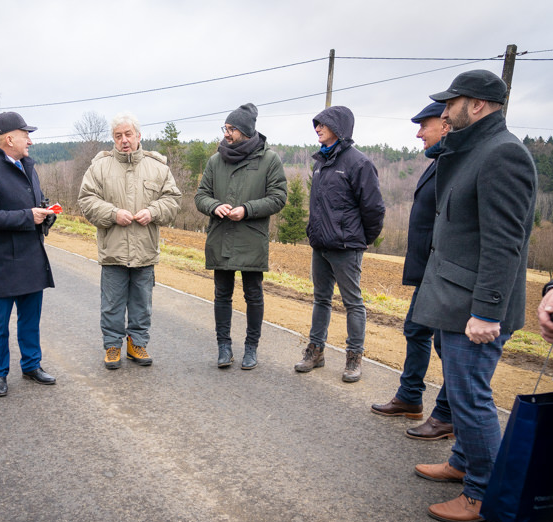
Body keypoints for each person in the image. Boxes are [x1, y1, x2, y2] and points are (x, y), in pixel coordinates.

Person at [412, 70, 537, 522]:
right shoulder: (475, 148)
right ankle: (463, 462)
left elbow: (506, 242)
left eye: (452, 103)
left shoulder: (503, 155)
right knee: (461, 391)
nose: (444, 112)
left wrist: (487, 311)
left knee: (471, 397)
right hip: (450, 298)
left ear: (479, 105)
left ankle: (484, 494)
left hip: (473, 306)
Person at [371, 103, 454, 441]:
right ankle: (410, 398)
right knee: (416, 330)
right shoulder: (440, 160)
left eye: (424, 125)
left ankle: (447, 414)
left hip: (444, 273)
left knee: (448, 346)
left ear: (446, 124)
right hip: (428, 272)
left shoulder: (454, 162)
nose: (419, 133)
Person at [78, 112, 181, 369]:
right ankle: (112, 346)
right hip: (113, 250)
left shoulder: (158, 167)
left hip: (145, 251)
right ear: (113, 139)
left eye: (128, 134)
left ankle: (137, 345)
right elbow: (87, 200)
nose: (124, 140)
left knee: (141, 303)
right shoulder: (99, 167)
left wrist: (153, 211)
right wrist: (113, 214)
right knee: (112, 303)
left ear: (138, 136)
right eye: (118, 136)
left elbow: (172, 200)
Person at [0, 111, 56, 397]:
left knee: (30, 318)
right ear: (9, 138)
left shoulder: (28, 165)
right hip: (3, 260)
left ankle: (31, 365)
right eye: (25, 134)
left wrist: (45, 214)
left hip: (31, 255)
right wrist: (29, 216)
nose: (29, 140)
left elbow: (32, 205)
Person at [293, 106, 385, 382]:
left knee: (353, 303)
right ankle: (316, 351)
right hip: (320, 245)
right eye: (316, 124)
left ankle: (354, 357)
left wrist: (359, 240)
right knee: (321, 299)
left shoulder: (358, 163)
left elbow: (374, 209)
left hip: (347, 248)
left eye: (323, 124)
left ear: (340, 128)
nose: (318, 128)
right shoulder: (321, 162)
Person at [194, 103, 287, 369]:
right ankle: (224, 347)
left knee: (253, 295)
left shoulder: (269, 160)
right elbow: (201, 196)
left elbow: (278, 198)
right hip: (221, 236)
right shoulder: (215, 160)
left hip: (251, 237)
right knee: (222, 294)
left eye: (231, 128)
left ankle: (251, 348)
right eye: (225, 127)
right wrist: (214, 206)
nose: (227, 133)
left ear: (246, 131)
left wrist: (246, 210)